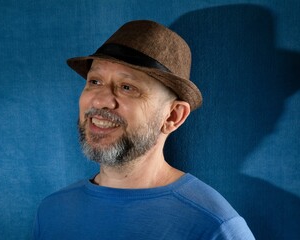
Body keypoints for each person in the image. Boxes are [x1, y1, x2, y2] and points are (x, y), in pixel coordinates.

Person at [33, 20, 255, 239]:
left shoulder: (215, 227)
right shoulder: (52, 211)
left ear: (172, 116)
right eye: (95, 82)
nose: (100, 101)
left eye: (127, 87)